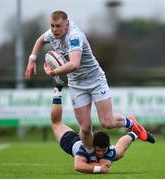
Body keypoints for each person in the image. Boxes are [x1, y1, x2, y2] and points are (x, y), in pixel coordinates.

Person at [25, 10, 152, 152]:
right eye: (52, 26)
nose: (54, 29)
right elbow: (40, 40)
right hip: (76, 84)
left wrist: (53, 72)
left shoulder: (75, 36)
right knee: (85, 129)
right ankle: (91, 156)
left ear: (67, 24)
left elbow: (74, 64)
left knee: (107, 122)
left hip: (95, 80)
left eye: (58, 26)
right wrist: (32, 60)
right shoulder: (52, 33)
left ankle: (131, 122)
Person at [50, 87, 155, 174]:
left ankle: (134, 133)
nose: (100, 153)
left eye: (103, 150)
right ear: (92, 145)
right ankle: (57, 91)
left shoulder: (109, 151)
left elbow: (104, 165)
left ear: (107, 147)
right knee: (56, 123)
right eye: (98, 150)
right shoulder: (83, 148)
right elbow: (78, 166)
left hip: (87, 142)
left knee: (119, 152)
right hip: (72, 141)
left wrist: (97, 167)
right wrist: (98, 169)